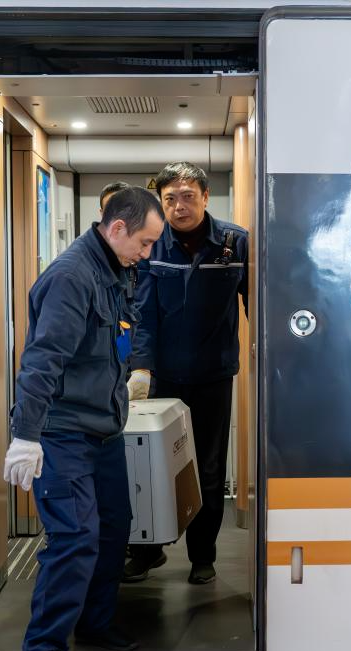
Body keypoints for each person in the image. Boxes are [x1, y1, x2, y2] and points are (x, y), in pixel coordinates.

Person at [3, 186, 165, 651]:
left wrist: (133, 375)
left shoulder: (117, 269)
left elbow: (121, 334)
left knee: (114, 528)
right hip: (63, 433)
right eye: (144, 242)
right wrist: (25, 434)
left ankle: (94, 623)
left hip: (104, 432)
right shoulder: (72, 277)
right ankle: (44, 647)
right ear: (116, 228)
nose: (147, 253)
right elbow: (43, 360)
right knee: (75, 536)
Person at [125, 161, 248, 585]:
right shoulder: (152, 244)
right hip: (162, 377)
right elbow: (143, 313)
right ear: (161, 202)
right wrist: (141, 369)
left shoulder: (235, 243)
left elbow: (258, 303)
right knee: (148, 463)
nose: (180, 206)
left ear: (205, 197)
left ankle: (202, 556)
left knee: (209, 469)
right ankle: (147, 551)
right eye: (170, 199)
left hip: (214, 375)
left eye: (188, 197)